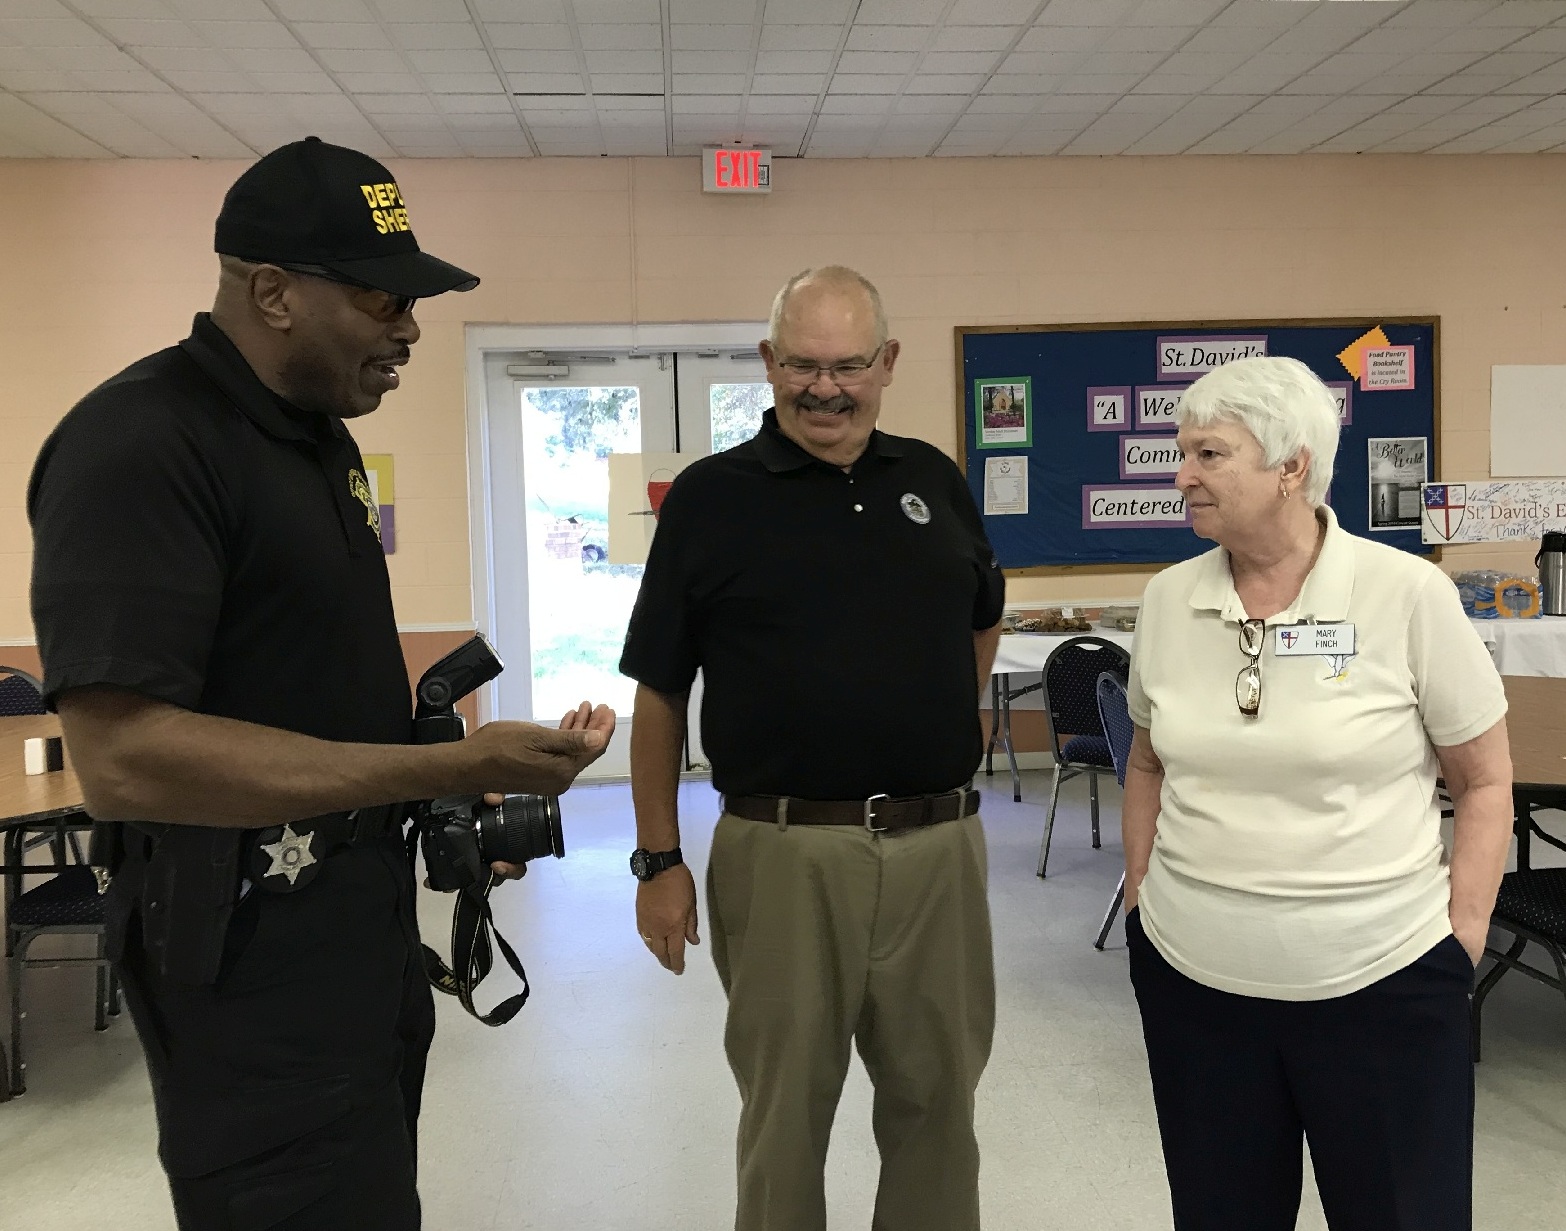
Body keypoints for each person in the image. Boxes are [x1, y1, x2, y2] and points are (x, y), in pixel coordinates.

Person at [28, 137, 614, 1231]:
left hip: (356, 940)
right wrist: (443, 759)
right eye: (381, 299)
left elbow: (299, 692)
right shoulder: (140, 444)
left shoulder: (317, 445)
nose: (409, 329)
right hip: (246, 968)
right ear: (272, 292)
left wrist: (451, 791)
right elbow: (121, 758)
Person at [619, 266, 1006, 1231]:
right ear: (768, 363)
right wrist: (658, 859)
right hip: (781, 851)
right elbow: (661, 690)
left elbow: (981, 618)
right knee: (786, 1114)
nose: (825, 388)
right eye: (801, 364)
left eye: (848, 365)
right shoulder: (712, 498)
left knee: (939, 1106)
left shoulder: (932, 481)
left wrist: (934, 729)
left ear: (887, 364)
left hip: (937, 852)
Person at [1122, 355, 1513, 1231]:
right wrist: (1143, 899)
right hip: (1196, 986)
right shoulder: (1167, 598)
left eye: (1209, 455)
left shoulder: (1406, 593)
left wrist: (1464, 935)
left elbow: (1484, 776)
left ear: (1291, 466)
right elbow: (1146, 762)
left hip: (1381, 986)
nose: (1180, 476)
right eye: (1180, 452)